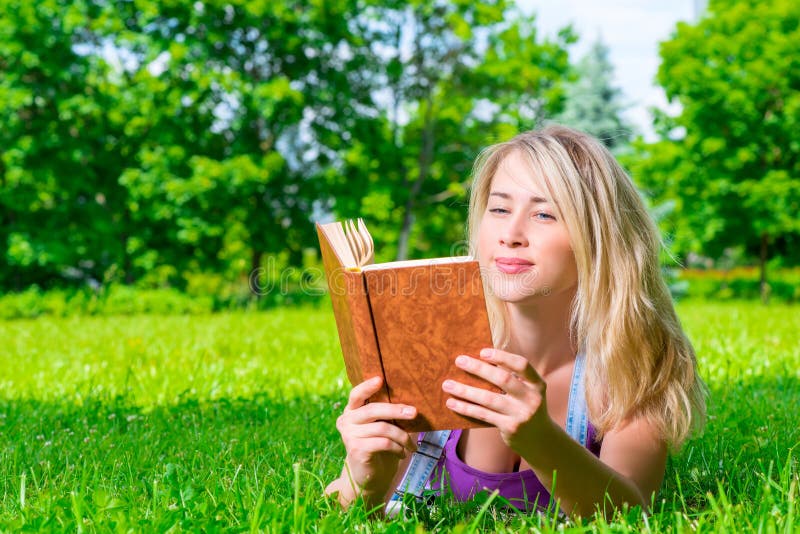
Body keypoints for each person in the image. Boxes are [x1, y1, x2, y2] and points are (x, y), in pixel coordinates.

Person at [324, 124, 707, 517]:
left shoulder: (636, 362)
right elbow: (348, 513)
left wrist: (540, 439)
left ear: (598, 237)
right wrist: (363, 479)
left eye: (544, 214)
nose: (511, 233)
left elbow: (631, 514)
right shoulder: (429, 344)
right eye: (500, 208)